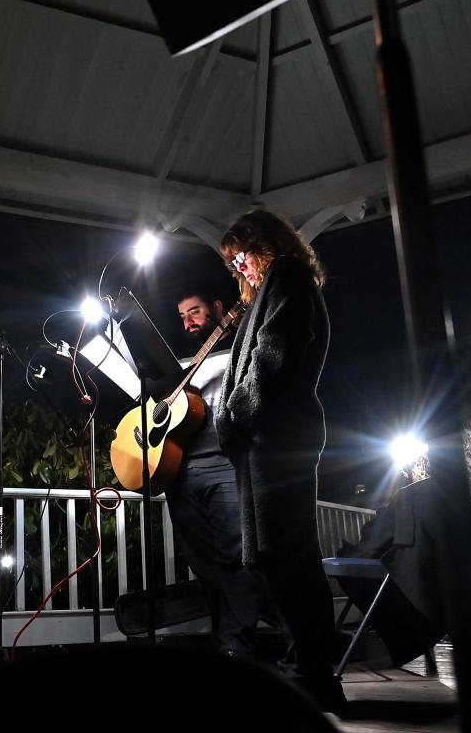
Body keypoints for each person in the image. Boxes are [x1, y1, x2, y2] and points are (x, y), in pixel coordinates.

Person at [212, 210, 345, 711]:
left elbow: (273, 357)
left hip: (278, 438)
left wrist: (236, 414)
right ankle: (307, 667)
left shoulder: (287, 277)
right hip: (265, 439)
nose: (240, 268)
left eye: (242, 255)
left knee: (288, 557)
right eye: (234, 263)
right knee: (274, 556)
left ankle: (313, 673)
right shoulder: (272, 287)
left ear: (263, 244)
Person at [168, 283, 274, 658]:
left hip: (224, 463)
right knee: (202, 562)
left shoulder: (238, 349)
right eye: (182, 316)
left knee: (236, 554)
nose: (188, 322)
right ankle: (228, 638)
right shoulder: (176, 362)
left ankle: (237, 645)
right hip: (179, 470)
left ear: (216, 307)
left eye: (194, 311)